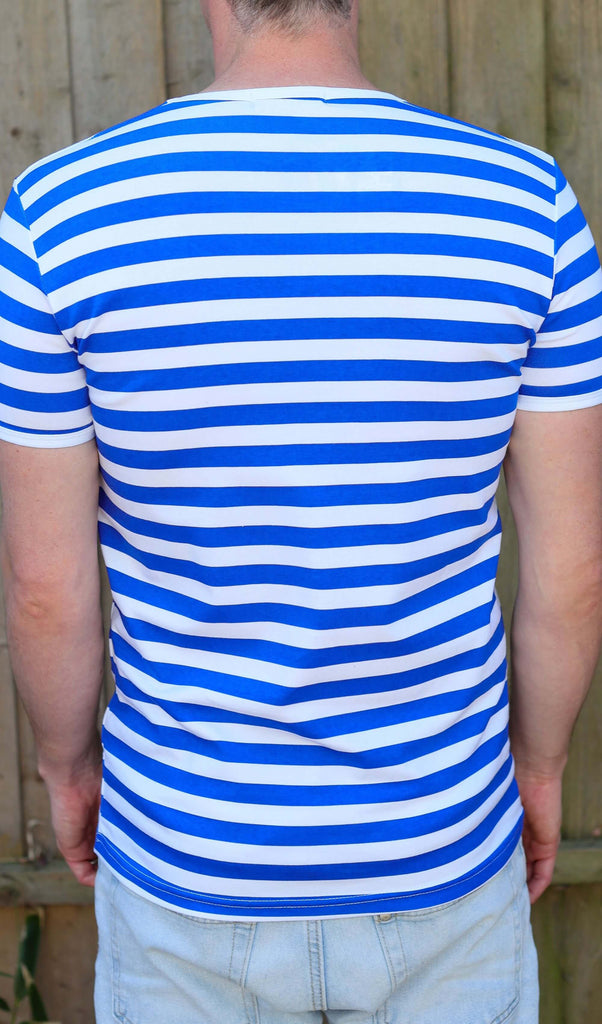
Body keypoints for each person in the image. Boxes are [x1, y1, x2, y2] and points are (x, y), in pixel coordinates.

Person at [0, 0, 600, 1020]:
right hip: (439, 843)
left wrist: (66, 769)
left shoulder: (64, 212)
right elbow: (568, 574)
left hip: (190, 854)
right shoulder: (519, 205)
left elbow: (47, 588)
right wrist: (535, 770)